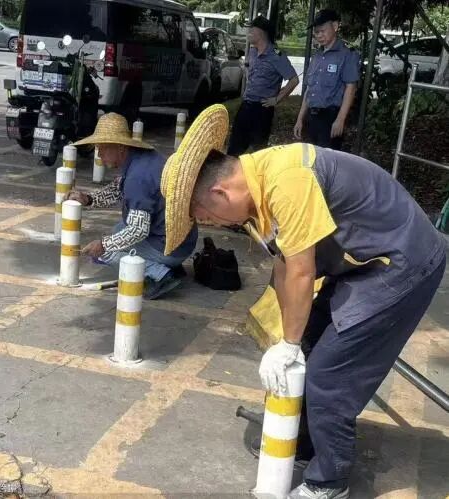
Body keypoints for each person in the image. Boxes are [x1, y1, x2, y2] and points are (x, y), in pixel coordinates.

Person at [161, 105, 446, 499]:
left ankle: (330, 480)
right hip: (364, 261)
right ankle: (306, 442)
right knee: (309, 345)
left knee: (329, 373)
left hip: (403, 260)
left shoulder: (286, 181)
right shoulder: (259, 184)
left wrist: (289, 344)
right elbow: (283, 266)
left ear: (219, 193)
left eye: (208, 217)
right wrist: (289, 340)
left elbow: (301, 271)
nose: (217, 225)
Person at [69, 112, 198, 300]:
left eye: (103, 148)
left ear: (121, 147)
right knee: (118, 229)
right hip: (183, 239)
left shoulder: (138, 178)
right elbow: (117, 188)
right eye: (98, 148)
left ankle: (160, 274)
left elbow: (138, 230)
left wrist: (103, 245)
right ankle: (168, 266)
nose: (99, 154)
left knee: (107, 252)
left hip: (172, 246)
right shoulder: (142, 158)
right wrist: (88, 199)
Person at [227, 16, 299, 156]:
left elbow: (294, 80)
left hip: (262, 109)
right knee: (234, 149)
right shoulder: (252, 52)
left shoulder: (277, 55)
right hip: (246, 105)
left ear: (261, 32)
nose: (248, 33)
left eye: (251, 30)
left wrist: (276, 99)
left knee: (258, 153)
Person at [294, 9, 360, 150]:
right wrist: (300, 119)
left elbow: (351, 88)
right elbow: (309, 90)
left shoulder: (346, 55)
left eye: (322, 31)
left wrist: (340, 119)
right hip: (311, 117)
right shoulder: (317, 56)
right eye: (316, 32)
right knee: (309, 158)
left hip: (330, 118)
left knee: (327, 160)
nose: (319, 35)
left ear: (335, 27)